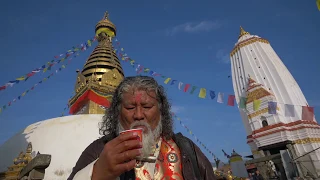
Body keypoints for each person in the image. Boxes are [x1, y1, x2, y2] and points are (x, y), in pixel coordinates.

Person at [68, 76, 216, 180]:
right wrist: (96, 173)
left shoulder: (186, 149)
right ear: (117, 112)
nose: (138, 115)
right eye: (130, 107)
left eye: (147, 106)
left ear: (160, 111)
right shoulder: (99, 150)